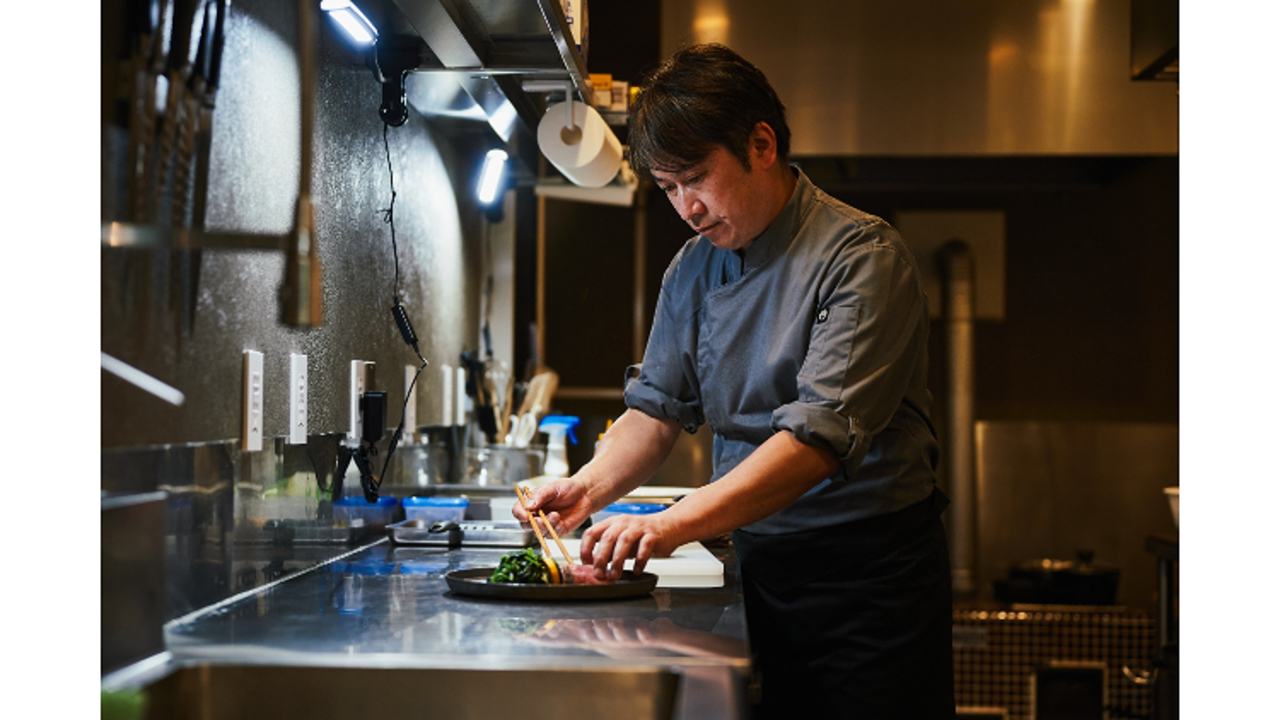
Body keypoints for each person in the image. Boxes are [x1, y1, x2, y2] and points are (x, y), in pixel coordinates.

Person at [517, 43, 954, 719]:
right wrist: (587, 487)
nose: (686, 208)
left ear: (761, 144)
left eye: (696, 178)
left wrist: (669, 525)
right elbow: (655, 410)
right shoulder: (694, 267)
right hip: (759, 564)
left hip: (868, 581)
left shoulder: (863, 257)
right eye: (668, 188)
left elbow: (815, 443)